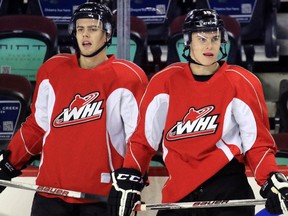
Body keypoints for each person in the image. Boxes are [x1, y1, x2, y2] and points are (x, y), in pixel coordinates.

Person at [107, 9, 288, 216]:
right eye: (201, 38)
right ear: (187, 41)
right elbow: (143, 141)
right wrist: (131, 175)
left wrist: (270, 179)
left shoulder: (242, 82)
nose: (209, 45)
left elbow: (257, 144)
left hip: (228, 193)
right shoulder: (164, 82)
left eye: (215, 38)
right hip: (178, 195)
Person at [0, 2, 148, 216]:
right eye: (80, 29)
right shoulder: (53, 70)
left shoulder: (128, 77)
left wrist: (132, 177)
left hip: (101, 197)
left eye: (93, 29)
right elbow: (37, 127)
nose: (85, 35)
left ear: (107, 35)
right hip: (50, 193)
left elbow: (139, 138)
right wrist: (9, 161)